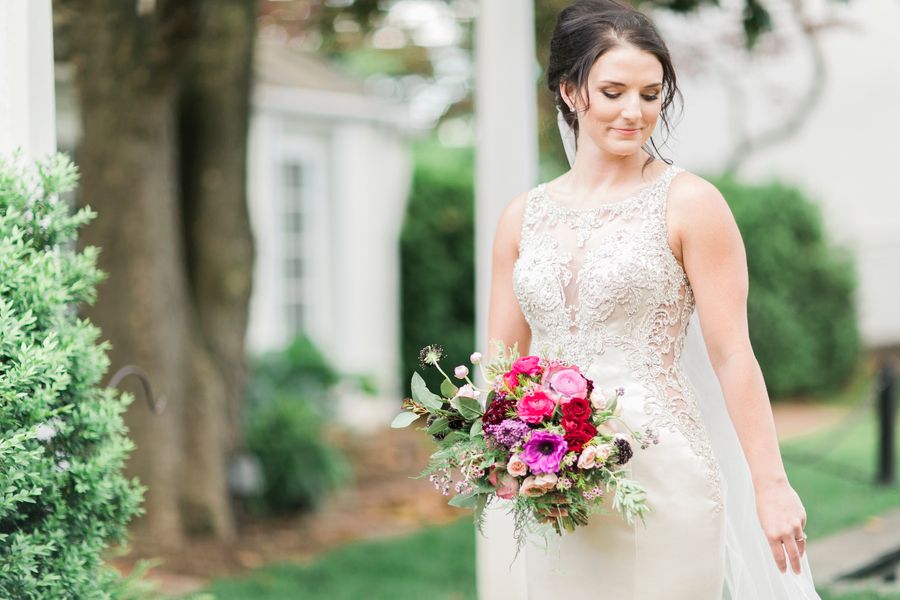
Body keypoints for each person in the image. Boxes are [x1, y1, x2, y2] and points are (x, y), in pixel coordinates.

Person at [484, 0, 821, 597]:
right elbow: (504, 365)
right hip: (556, 484)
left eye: (650, 93)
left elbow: (733, 356)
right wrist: (495, 446)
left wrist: (770, 484)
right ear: (568, 90)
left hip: (666, 475)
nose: (634, 112)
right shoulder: (521, 218)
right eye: (613, 91)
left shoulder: (690, 204)